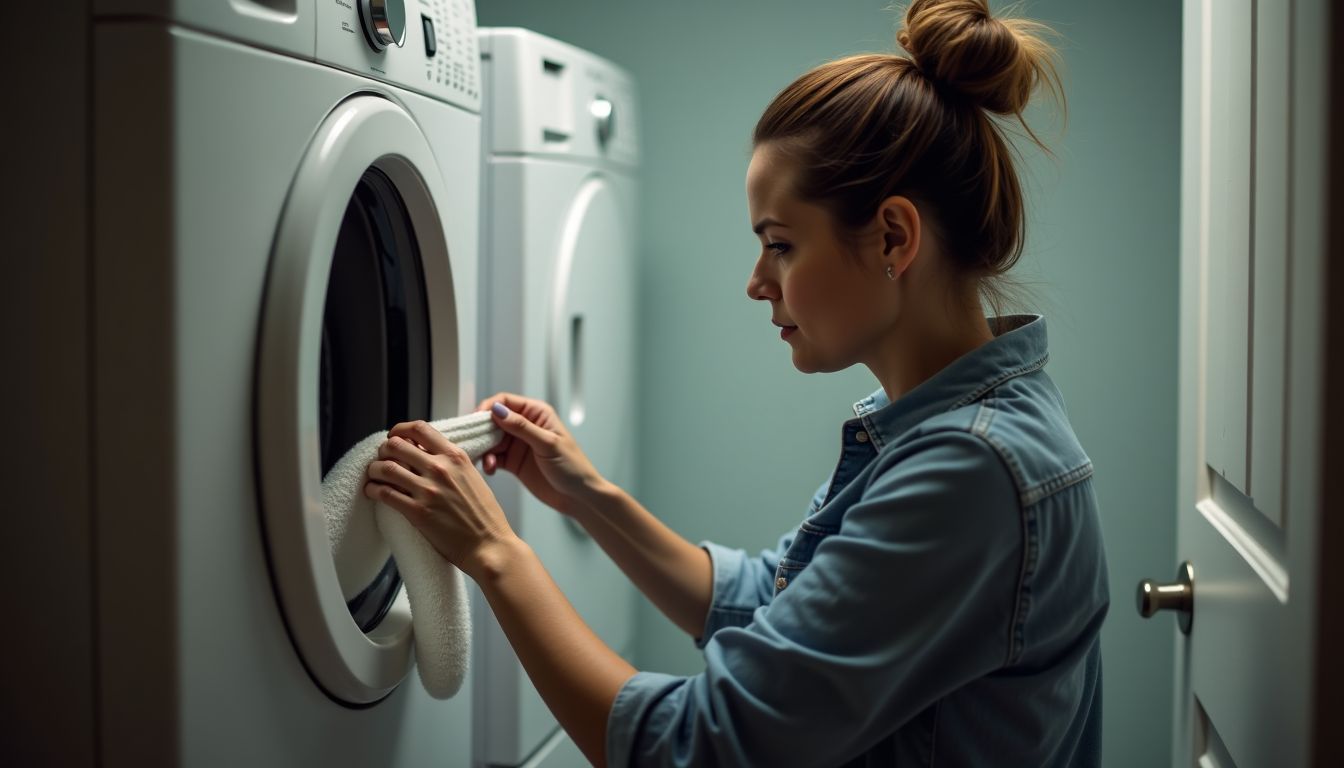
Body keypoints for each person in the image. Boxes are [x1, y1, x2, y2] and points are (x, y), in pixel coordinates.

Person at [363, 0, 1109, 764]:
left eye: (780, 245)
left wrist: (495, 551)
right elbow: (768, 600)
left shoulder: (970, 470)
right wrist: (589, 494)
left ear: (894, 236)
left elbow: (700, 747)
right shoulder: (957, 428)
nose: (757, 283)